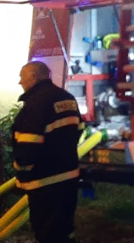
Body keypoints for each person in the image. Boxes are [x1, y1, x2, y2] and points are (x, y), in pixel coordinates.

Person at [12, 61, 83, 243]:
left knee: (46, 232)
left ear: (33, 77)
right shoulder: (67, 98)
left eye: (22, 77)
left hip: (43, 182)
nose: (20, 82)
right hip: (68, 176)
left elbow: (28, 144)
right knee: (64, 229)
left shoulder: (35, 104)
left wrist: (22, 173)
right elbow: (79, 129)